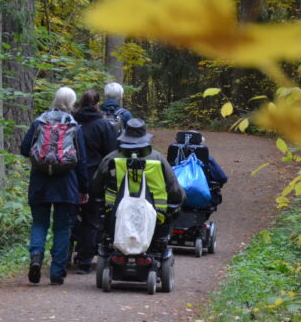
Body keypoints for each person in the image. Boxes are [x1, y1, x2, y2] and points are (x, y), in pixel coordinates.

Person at [20, 86, 89, 285]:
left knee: (39, 223)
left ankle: (35, 257)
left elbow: (25, 149)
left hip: (40, 182)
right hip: (66, 184)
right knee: (62, 228)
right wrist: (83, 189)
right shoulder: (74, 126)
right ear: (72, 103)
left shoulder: (39, 122)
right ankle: (57, 272)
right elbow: (81, 160)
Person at [91, 119, 184, 242]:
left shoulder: (110, 158)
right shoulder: (157, 158)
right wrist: (179, 199)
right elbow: (173, 187)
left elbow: (96, 186)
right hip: (155, 216)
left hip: (116, 214)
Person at [70, 89, 119, 274]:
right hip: (94, 177)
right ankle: (84, 261)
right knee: (91, 219)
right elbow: (112, 154)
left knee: (69, 216)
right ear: (98, 103)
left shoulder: (72, 122)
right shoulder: (103, 126)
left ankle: (62, 258)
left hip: (69, 176)